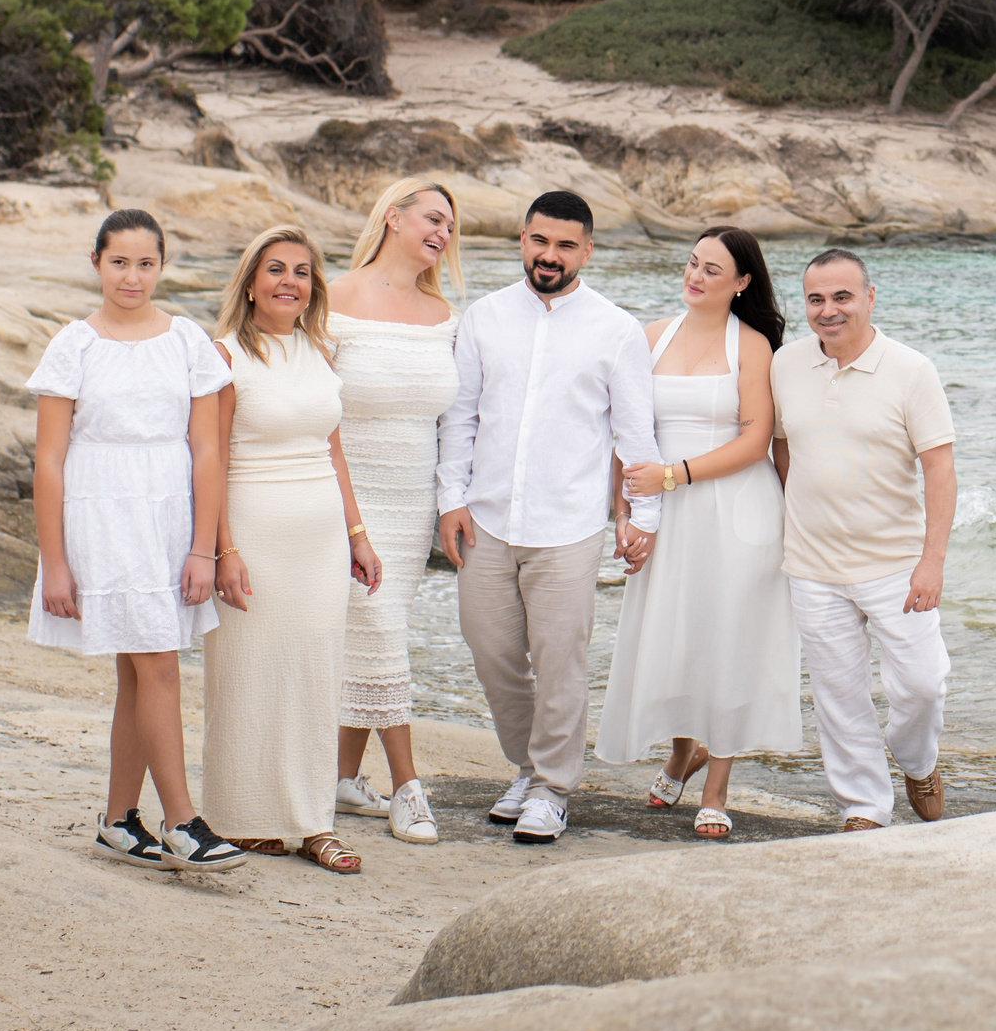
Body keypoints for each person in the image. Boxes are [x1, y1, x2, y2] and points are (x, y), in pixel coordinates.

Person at [436, 189, 660, 845]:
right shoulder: (484, 317)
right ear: (522, 240)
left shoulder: (616, 330)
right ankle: (529, 766)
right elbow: (461, 416)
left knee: (560, 660)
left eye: (565, 244)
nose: (550, 254)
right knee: (492, 651)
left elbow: (635, 434)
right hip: (486, 518)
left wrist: (642, 514)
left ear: (587, 250)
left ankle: (552, 788)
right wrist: (450, 497)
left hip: (570, 525)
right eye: (540, 240)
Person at [25, 209, 245, 873]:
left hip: (166, 517)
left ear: (161, 265)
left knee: (137, 670)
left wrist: (203, 547)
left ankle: (120, 820)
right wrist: (55, 563)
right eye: (119, 261)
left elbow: (208, 451)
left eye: (145, 262)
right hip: (101, 519)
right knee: (157, 664)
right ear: (97, 261)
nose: (132, 275)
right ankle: (182, 821)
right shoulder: (74, 345)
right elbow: (48, 461)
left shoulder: (186, 340)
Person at [600, 226, 801, 840]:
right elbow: (625, 431)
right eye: (692, 264)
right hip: (666, 511)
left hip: (736, 508)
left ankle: (716, 786)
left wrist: (672, 474)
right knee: (683, 634)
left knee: (730, 638)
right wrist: (623, 513)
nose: (695, 277)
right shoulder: (650, 338)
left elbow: (753, 440)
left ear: (742, 282)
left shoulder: (755, 346)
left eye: (713, 270)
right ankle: (680, 751)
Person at [200, 224, 385, 875]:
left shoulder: (318, 349)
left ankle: (313, 821)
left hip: (320, 541)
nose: (289, 281)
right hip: (253, 532)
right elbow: (210, 458)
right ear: (250, 282)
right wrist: (222, 549)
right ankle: (243, 817)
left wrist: (357, 534)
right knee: (246, 675)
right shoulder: (223, 356)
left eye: (301, 271)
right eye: (275, 268)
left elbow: (332, 447)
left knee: (313, 672)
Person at [770, 247, 957, 832]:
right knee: (839, 695)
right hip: (812, 565)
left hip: (896, 564)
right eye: (816, 299)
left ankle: (919, 762)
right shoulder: (784, 364)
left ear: (870, 298)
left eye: (842, 297)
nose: (828, 311)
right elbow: (782, 447)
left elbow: (940, 469)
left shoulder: (911, 370)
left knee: (922, 685)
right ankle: (864, 809)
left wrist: (932, 561)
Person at [325, 178, 462, 845]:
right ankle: (408, 784)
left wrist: (450, 503)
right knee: (378, 630)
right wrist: (350, 523)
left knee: (373, 632)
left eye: (450, 226)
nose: (442, 233)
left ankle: (345, 779)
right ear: (393, 216)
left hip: (412, 505)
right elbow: (315, 413)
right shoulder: (335, 298)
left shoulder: (443, 314)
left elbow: (454, 423)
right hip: (347, 495)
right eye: (433, 218)